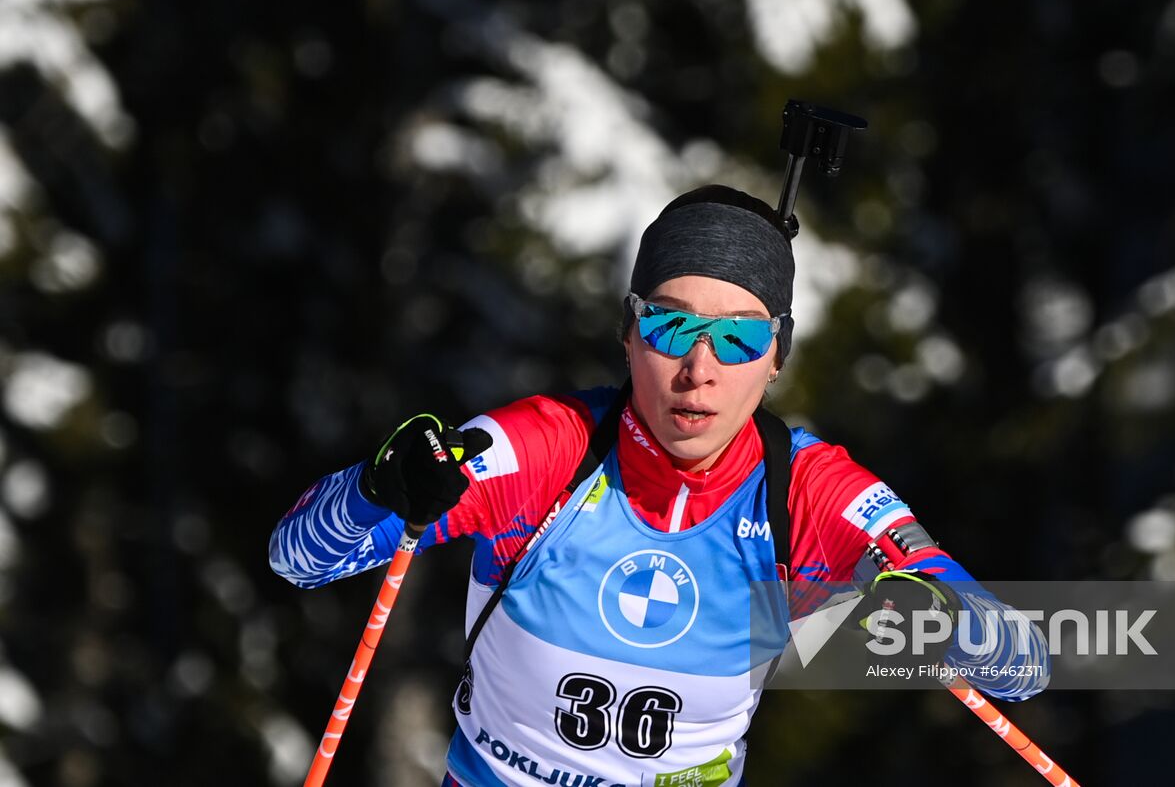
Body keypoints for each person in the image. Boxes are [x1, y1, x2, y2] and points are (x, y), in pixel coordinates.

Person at [270, 185, 1049, 786]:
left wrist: (946, 621)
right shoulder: (546, 450)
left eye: (740, 336)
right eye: (672, 326)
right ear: (628, 329)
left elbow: (1022, 665)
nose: (699, 370)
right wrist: (379, 489)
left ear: (777, 355)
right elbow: (297, 559)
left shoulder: (806, 491)